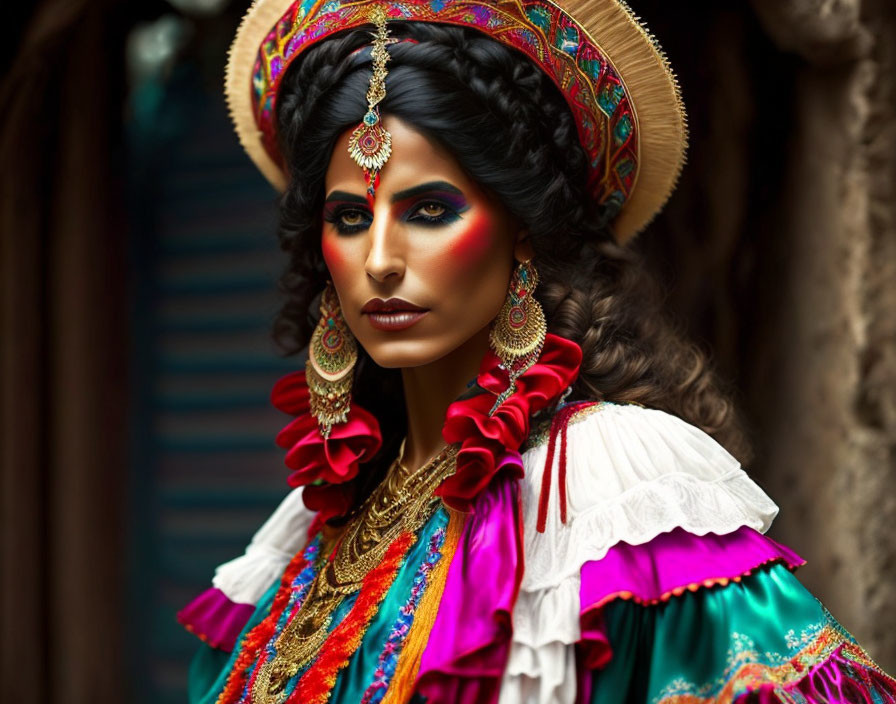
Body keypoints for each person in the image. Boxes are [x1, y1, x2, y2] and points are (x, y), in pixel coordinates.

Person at [177, 0, 896, 702]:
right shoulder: (310, 528)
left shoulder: (609, 490)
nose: (381, 260)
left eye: (430, 210)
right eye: (350, 217)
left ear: (521, 228)